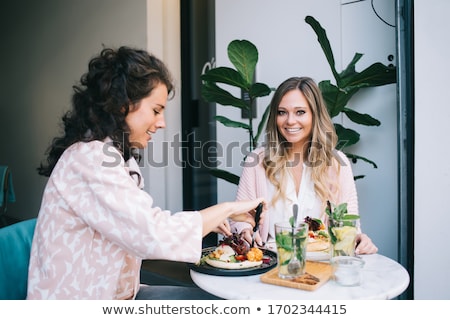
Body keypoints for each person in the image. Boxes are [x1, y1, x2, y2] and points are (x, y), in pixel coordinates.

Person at [27, 46, 265, 300]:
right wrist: (227, 208)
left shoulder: (116, 157)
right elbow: (150, 233)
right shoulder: (89, 158)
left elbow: (142, 223)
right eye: (156, 110)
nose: (162, 122)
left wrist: (211, 220)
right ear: (122, 105)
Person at [231, 76, 377, 255]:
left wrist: (360, 239)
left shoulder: (338, 163)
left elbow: (348, 226)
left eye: (300, 112)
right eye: (282, 112)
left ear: (315, 115)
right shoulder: (257, 161)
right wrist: (244, 230)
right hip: (270, 263)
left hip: (321, 265)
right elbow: (240, 218)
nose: (290, 121)